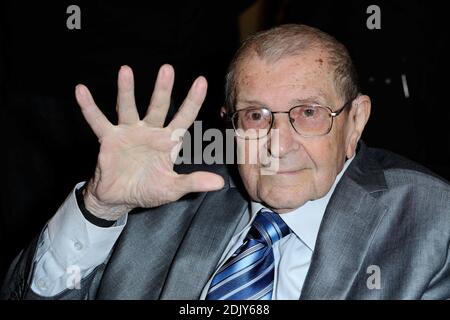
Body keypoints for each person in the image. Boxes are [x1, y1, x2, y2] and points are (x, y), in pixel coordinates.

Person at [2, 24, 449, 300]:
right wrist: (99, 209)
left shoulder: (430, 222)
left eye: (308, 113)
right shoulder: (164, 196)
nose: (278, 143)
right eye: (255, 115)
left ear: (355, 121)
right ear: (229, 125)